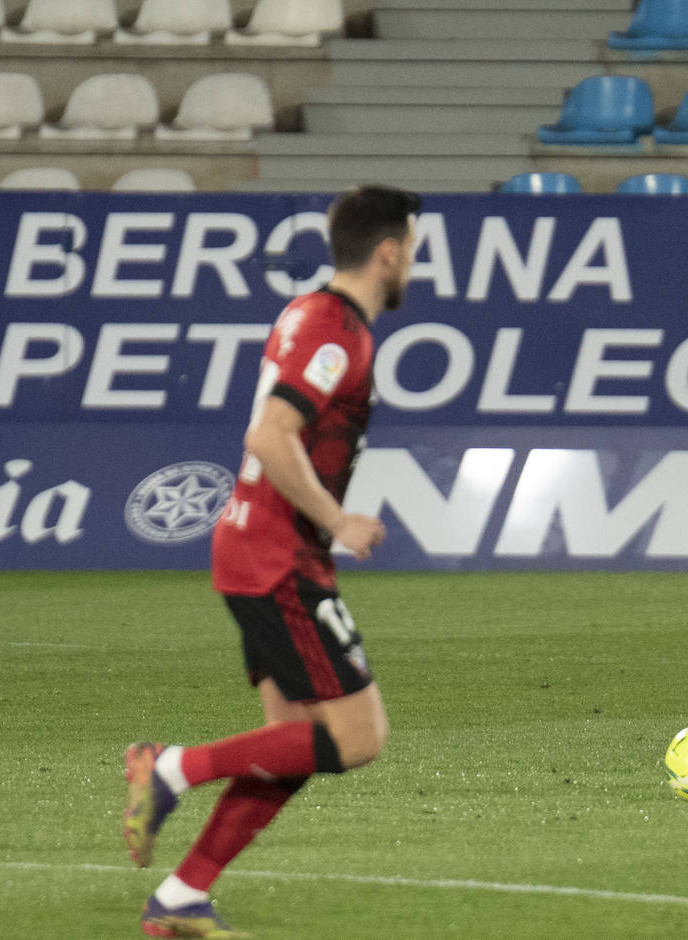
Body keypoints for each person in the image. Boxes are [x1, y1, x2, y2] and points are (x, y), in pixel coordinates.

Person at [123, 184, 420, 937]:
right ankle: (170, 768)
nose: (412, 261)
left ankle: (183, 896)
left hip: (256, 545)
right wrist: (337, 519)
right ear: (387, 251)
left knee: (290, 746)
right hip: (277, 554)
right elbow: (270, 435)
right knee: (359, 736)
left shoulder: (307, 311)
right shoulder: (337, 330)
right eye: (411, 247)